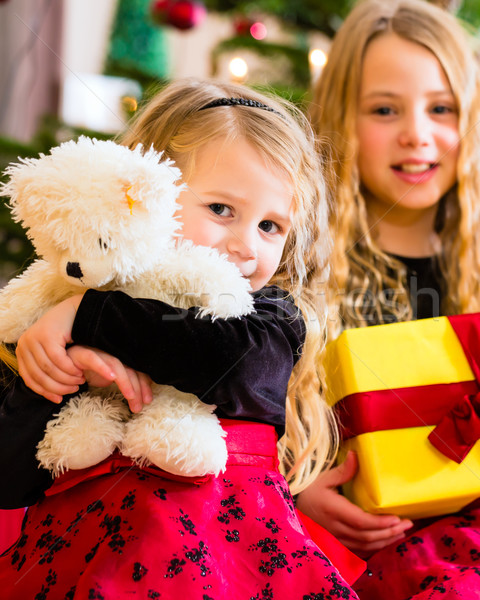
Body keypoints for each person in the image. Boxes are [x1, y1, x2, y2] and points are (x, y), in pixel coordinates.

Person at [0, 79, 364, 599]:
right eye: (220, 210)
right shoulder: (58, 303)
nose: (244, 245)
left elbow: (235, 365)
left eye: (270, 226)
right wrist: (53, 374)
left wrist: (89, 315)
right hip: (81, 557)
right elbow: (9, 478)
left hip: (226, 565)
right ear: (141, 195)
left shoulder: (269, 316)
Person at [296, 0, 480, 598]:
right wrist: (299, 499)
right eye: (385, 109)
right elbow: (239, 430)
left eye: (442, 109)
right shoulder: (296, 268)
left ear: (473, 124)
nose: (418, 133)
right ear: (340, 121)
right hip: (335, 562)